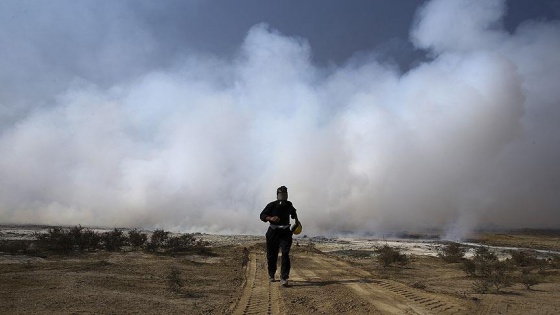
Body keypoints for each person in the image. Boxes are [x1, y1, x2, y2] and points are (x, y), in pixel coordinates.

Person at [259, 186, 300, 286]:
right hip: (273, 232)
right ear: (277, 195)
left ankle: (284, 277)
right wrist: (271, 218)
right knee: (272, 254)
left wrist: (297, 222)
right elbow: (262, 215)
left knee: (285, 254)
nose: (283, 197)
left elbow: (294, 213)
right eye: (281, 195)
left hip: (285, 232)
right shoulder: (272, 205)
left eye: (285, 195)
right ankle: (271, 274)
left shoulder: (289, 205)